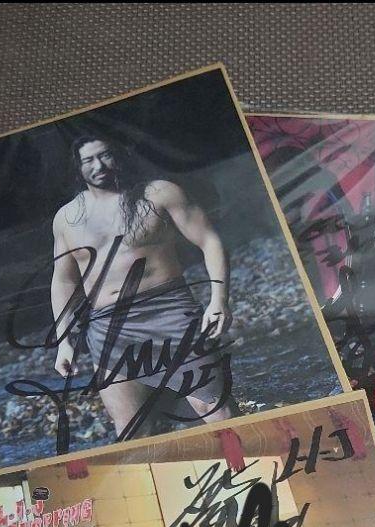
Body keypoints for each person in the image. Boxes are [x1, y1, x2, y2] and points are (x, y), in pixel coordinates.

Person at [51, 134, 238, 437]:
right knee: (132, 430)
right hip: (108, 329)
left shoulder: (159, 194)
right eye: (88, 160)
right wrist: (63, 340)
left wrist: (219, 300)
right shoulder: (66, 218)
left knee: (215, 409)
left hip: (170, 315)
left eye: (105, 155)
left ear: (119, 155)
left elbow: (209, 240)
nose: (99, 166)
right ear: (77, 167)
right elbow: (64, 280)